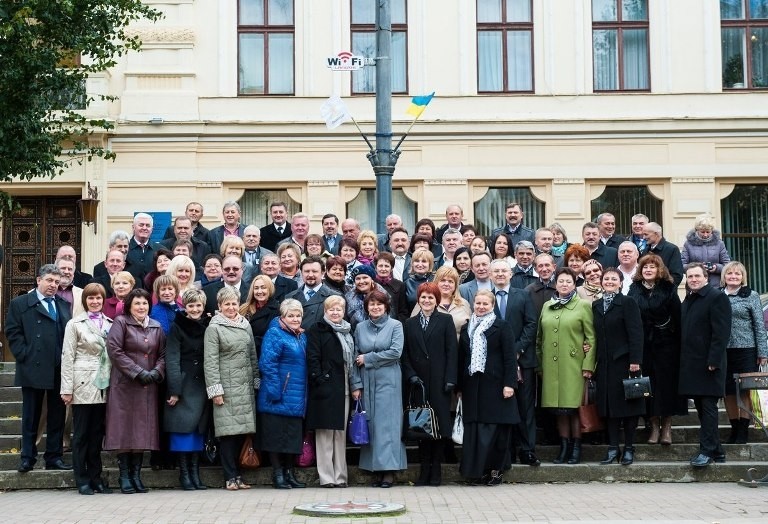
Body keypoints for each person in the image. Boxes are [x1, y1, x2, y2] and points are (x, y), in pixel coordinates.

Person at [5, 264, 73, 473]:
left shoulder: (62, 304)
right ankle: (27, 457)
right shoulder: (21, 303)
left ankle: (54, 457)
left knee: (56, 415)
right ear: (38, 280)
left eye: (56, 281)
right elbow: (13, 332)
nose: (53, 285)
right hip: (32, 367)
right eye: (49, 281)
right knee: (31, 416)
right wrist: (25, 354)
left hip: (57, 367)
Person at [105, 289, 166, 494]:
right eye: (137, 303)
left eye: (145, 303)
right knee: (124, 429)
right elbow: (114, 350)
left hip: (148, 385)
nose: (141, 307)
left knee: (142, 429)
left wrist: (157, 371)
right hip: (125, 384)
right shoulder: (121, 323)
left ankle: (136, 475)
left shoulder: (156, 326)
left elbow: (163, 354)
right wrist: (137, 371)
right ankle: (124, 476)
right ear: (130, 306)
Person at [457, 290, 519, 486]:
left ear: (492, 306)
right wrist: (459, 386)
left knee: (495, 430)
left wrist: (509, 384)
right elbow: (462, 359)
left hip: (496, 386)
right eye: (478, 303)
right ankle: (477, 472)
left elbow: (510, 357)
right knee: (475, 430)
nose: (481, 307)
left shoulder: (502, 326)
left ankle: (495, 471)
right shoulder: (468, 327)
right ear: (473, 304)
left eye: (485, 304)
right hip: (473, 386)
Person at [536, 267, 596, 465]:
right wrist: (540, 365)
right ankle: (563, 447)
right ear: (556, 283)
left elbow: (591, 338)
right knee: (558, 409)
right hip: (551, 367)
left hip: (574, 366)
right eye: (560, 281)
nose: (564, 284)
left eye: (568, 281)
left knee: (573, 407)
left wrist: (588, 365)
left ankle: (576, 447)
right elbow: (539, 338)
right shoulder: (547, 306)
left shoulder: (583, 306)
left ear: (574, 284)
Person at [204, 287, 260, 490]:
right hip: (226, 388)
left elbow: (252, 355)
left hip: (244, 386)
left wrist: (256, 381)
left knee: (241, 433)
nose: (230, 307)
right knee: (228, 433)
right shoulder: (214, 328)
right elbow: (210, 362)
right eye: (226, 304)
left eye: (234, 303)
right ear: (219, 306)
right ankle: (229, 477)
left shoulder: (246, 325)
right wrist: (215, 390)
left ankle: (239, 476)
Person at [350, 290, 407, 488]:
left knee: (388, 425)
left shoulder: (395, 325)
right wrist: (356, 384)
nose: (375, 307)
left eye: (379, 304)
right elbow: (354, 356)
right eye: (371, 304)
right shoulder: (360, 328)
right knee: (370, 424)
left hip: (388, 379)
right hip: (366, 380)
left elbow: (395, 352)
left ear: (386, 307)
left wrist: (370, 358)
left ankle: (389, 471)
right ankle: (374, 468)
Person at [402, 283, 458, 486]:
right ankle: (424, 472)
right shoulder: (410, 323)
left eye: (430, 298)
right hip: (418, 384)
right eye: (423, 297)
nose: (426, 301)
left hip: (439, 382)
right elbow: (405, 354)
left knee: (439, 429)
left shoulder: (445, 320)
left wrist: (451, 378)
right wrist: (410, 376)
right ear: (418, 300)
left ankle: (436, 472)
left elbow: (452, 351)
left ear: (437, 300)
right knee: (421, 428)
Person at [627, 254, 685, 445]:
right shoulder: (633, 291)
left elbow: (679, 318)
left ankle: (667, 427)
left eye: (652, 267)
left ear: (659, 270)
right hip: (644, 346)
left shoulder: (669, 289)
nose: (648, 270)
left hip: (667, 345)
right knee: (647, 387)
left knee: (666, 386)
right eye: (645, 267)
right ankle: (653, 427)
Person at [60, 283, 113, 494]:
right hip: (82, 381)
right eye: (91, 298)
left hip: (104, 383)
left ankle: (96, 477)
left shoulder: (110, 323)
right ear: (85, 301)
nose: (95, 301)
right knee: (81, 434)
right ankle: (81, 478)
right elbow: (67, 356)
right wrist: (66, 388)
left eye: (99, 298)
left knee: (96, 434)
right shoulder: (75, 324)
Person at [679, 263, 732, 467]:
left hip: (710, 364)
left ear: (706, 277)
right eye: (690, 276)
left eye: (696, 276)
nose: (693, 279)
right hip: (693, 364)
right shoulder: (690, 299)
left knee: (709, 407)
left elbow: (721, 333)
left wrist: (714, 360)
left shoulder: (716, 297)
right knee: (702, 407)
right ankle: (717, 450)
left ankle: (706, 451)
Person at [489, 260, 539, 467]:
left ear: (511, 274)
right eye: (496, 271)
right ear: (491, 275)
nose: (500, 274)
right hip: (497, 364)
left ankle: (527, 450)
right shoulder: (486, 299)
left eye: (504, 271)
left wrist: (517, 349)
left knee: (525, 407)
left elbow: (531, 324)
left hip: (522, 360)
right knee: (504, 407)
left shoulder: (523, 295)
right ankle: (506, 451)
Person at [592, 269, 644, 466]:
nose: (610, 281)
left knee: (629, 407)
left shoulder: (628, 303)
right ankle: (613, 448)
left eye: (614, 279)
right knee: (609, 407)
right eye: (607, 279)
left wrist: (635, 361)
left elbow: (636, 333)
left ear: (621, 283)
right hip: (605, 364)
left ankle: (629, 448)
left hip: (625, 363)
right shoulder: (596, 305)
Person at [163, 288, 211, 491]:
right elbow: (171, 359)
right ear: (185, 306)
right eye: (191, 305)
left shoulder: (208, 324)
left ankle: (195, 473)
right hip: (184, 383)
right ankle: (185, 474)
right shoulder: (177, 326)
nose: (195, 309)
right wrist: (174, 389)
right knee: (183, 430)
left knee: (198, 430)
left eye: (198, 305)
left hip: (202, 383)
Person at [258, 299, 308, 490]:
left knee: (291, 439)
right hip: (279, 394)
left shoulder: (301, 336)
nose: (295, 319)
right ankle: (278, 474)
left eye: (298, 315)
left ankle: (289, 473)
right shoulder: (275, 333)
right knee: (275, 437)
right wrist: (274, 390)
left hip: (296, 397)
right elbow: (267, 364)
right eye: (291, 315)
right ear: (283, 317)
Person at [306, 296, 355, 488]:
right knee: (325, 434)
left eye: (339, 309)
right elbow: (313, 358)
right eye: (331, 309)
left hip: (343, 388)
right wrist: (320, 379)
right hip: (325, 388)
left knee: (340, 434)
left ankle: (341, 476)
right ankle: (327, 477)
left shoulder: (348, 331)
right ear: (325, 311)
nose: (335, 313)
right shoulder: (317, 329)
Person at [721, 261, 768, 444]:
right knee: (728, 392)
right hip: (723, 351)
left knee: (744, 391)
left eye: (737, 274)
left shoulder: (751, 295)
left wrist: (763, 352)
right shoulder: (717, 295)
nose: (733, 276)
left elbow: (759, 324)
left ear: (743, 277)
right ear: (724, 276)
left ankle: (743, 430)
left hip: (746, 350)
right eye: (730, 273)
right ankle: (734, 429)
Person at [285, 256, 340, 329]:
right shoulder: (290, 297)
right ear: (301, 273)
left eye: (314, 271)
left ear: (323, 273)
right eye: (307, 271)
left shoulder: (335, 297)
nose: (310, 275)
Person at [681, 214, 731, 288]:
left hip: (715, 285)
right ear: (697, 230)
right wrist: (698, 267)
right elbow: (682, 265)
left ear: (712, 231)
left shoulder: (719, 243)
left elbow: (727, 265)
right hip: (694, 285)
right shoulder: (688, 244)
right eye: (702, 232)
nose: (705, 235)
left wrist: (716, 268)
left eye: (708, 232)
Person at [240, 275, 281, 358]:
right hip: (242, 355)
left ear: (270, 289)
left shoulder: (277, 310)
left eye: (263, 287)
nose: (259, 291)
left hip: (263, 355)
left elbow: (274, 338)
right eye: (256, 288)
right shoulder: (243, 308)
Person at [642, 222, 684, 287]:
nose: (644, 237)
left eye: (646, 234)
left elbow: (677, 275)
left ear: (656, 234)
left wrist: (664, 290)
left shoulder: (672, 249)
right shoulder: (646, 250)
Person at [346, 265, 387, 330]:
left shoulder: (384, 295)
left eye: (365, 277)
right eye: (358, 279)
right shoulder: (349, 298)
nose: (361, 281)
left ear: (372, 279)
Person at [374, 252, 409, 323]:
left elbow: (403, 311)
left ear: (392, 268)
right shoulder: (371, 283)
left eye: (386, 266)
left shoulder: (400, 285)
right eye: (380, 266)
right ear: (375, 267)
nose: (383, 269)